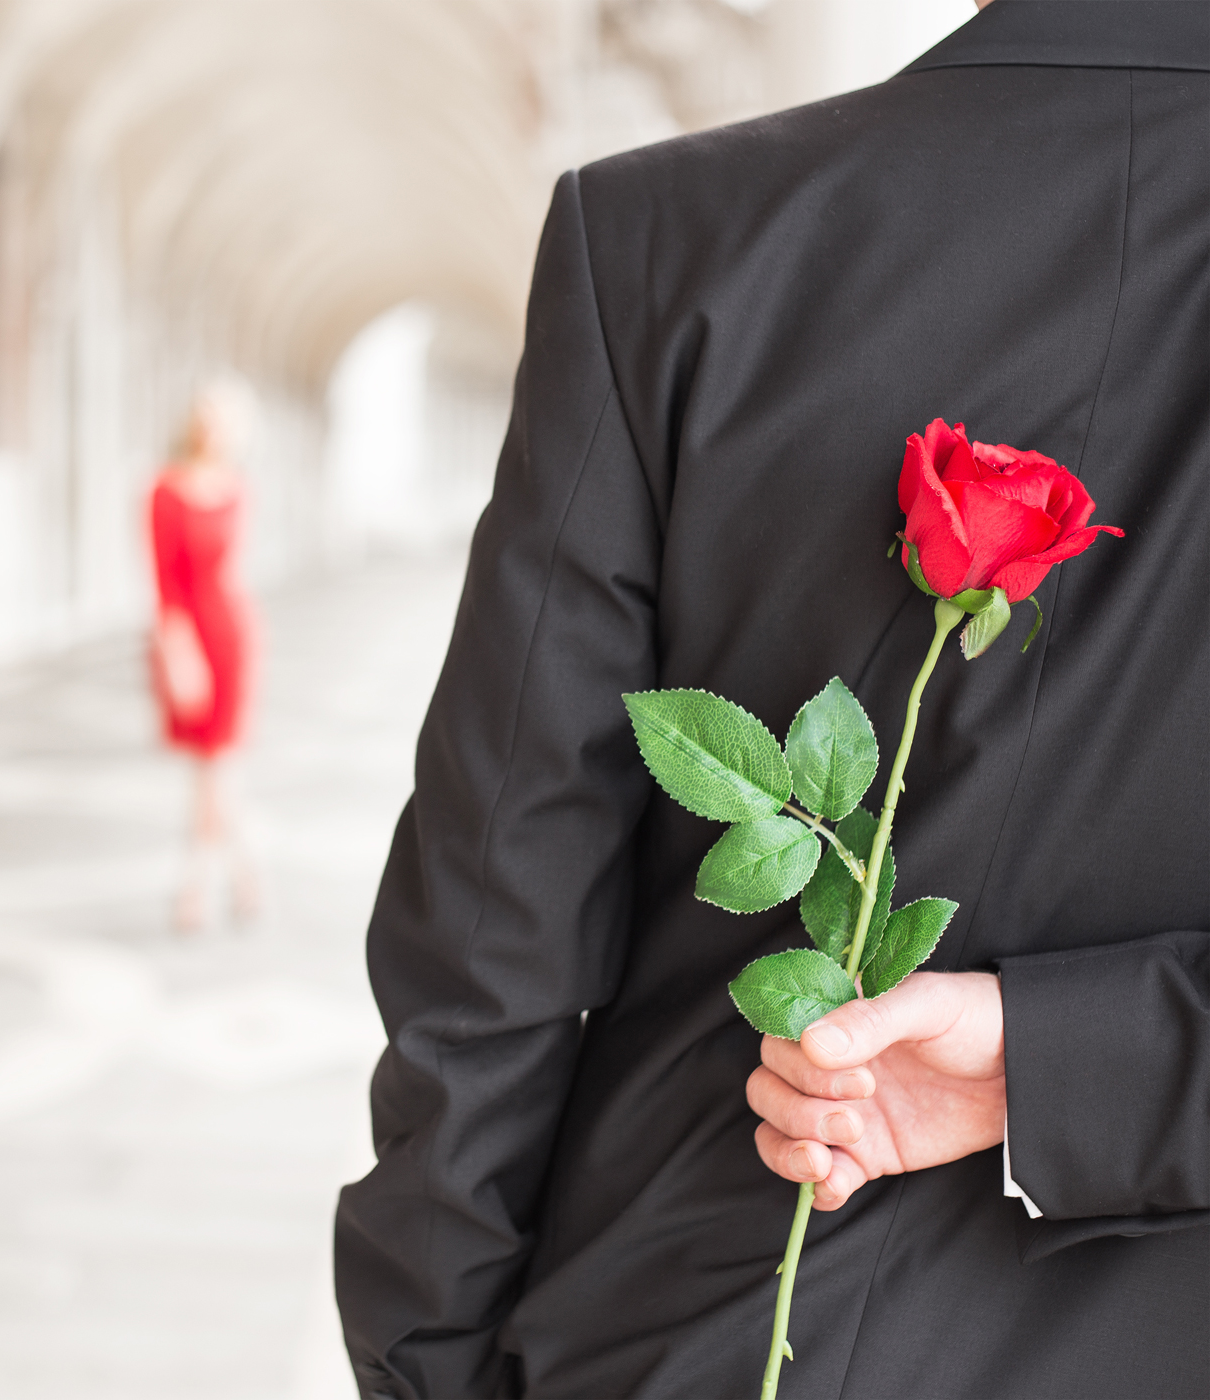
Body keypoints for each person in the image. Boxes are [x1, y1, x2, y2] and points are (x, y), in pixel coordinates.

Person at [335, 3, 1210, 1396]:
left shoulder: (671, 243)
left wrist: (430, 1363)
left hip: (713, 1329)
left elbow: (492, 930)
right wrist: (1082, 1058)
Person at [149, 388, 260, 931]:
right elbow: (165, 584)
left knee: (218, 769)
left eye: (224, 422)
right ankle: (239, 880)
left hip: (233, 635)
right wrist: (176, 651)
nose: (213, 431)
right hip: (189, 637)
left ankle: (199, 888)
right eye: (207, 420)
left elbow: (235, 573)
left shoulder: (237, 490)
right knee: (213, 770)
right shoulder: (164, 492)